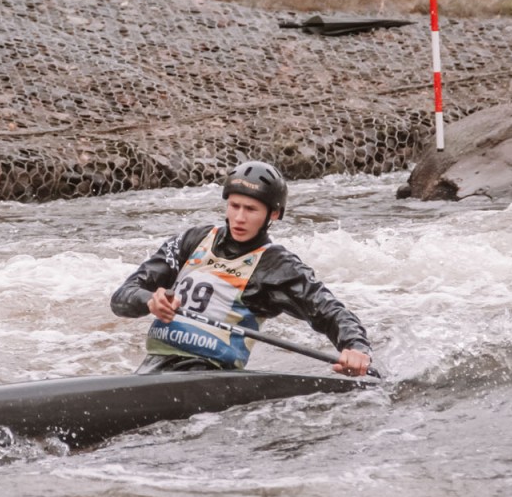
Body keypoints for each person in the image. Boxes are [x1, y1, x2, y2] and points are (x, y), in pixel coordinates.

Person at [111, 161, 373, 377]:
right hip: (153, 367)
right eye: (234, 206)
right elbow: (121, 298)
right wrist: (149, 300)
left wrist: (355, 347)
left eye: (250, 209)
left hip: (209, 375)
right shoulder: (191, 241)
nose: (239, 218)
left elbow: (329, 311)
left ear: (273, 214)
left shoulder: (276, 266)